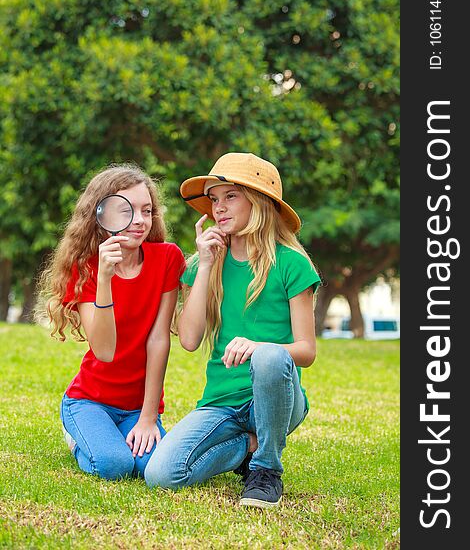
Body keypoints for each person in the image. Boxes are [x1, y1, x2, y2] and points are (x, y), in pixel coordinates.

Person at [144, 152, 321, 507]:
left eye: (230, 197)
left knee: (271, 356)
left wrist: (258, 347)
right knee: (160, 474)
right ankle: (247, 448)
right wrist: (206, 264)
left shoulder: (291, 263)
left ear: (259, 202)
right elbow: (190, 340)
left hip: (275, 399)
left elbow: (306, 351)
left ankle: (266, 470)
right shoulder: (202, 264)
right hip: (222, 403)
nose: (218, 208)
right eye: (213, 199)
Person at [35, 164, 185, 480]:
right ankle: (78, 436)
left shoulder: (168, 258)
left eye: (147, 210)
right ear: (102, 216)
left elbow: (159, 340)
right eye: (127, 210)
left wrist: (147, 417)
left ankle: (119, 432)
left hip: (138, 406)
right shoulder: (86, 268)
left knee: (151, 469)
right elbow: (104, 351)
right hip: (90, 400)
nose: (140, 220)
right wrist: (104, 278)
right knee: (116, 466)